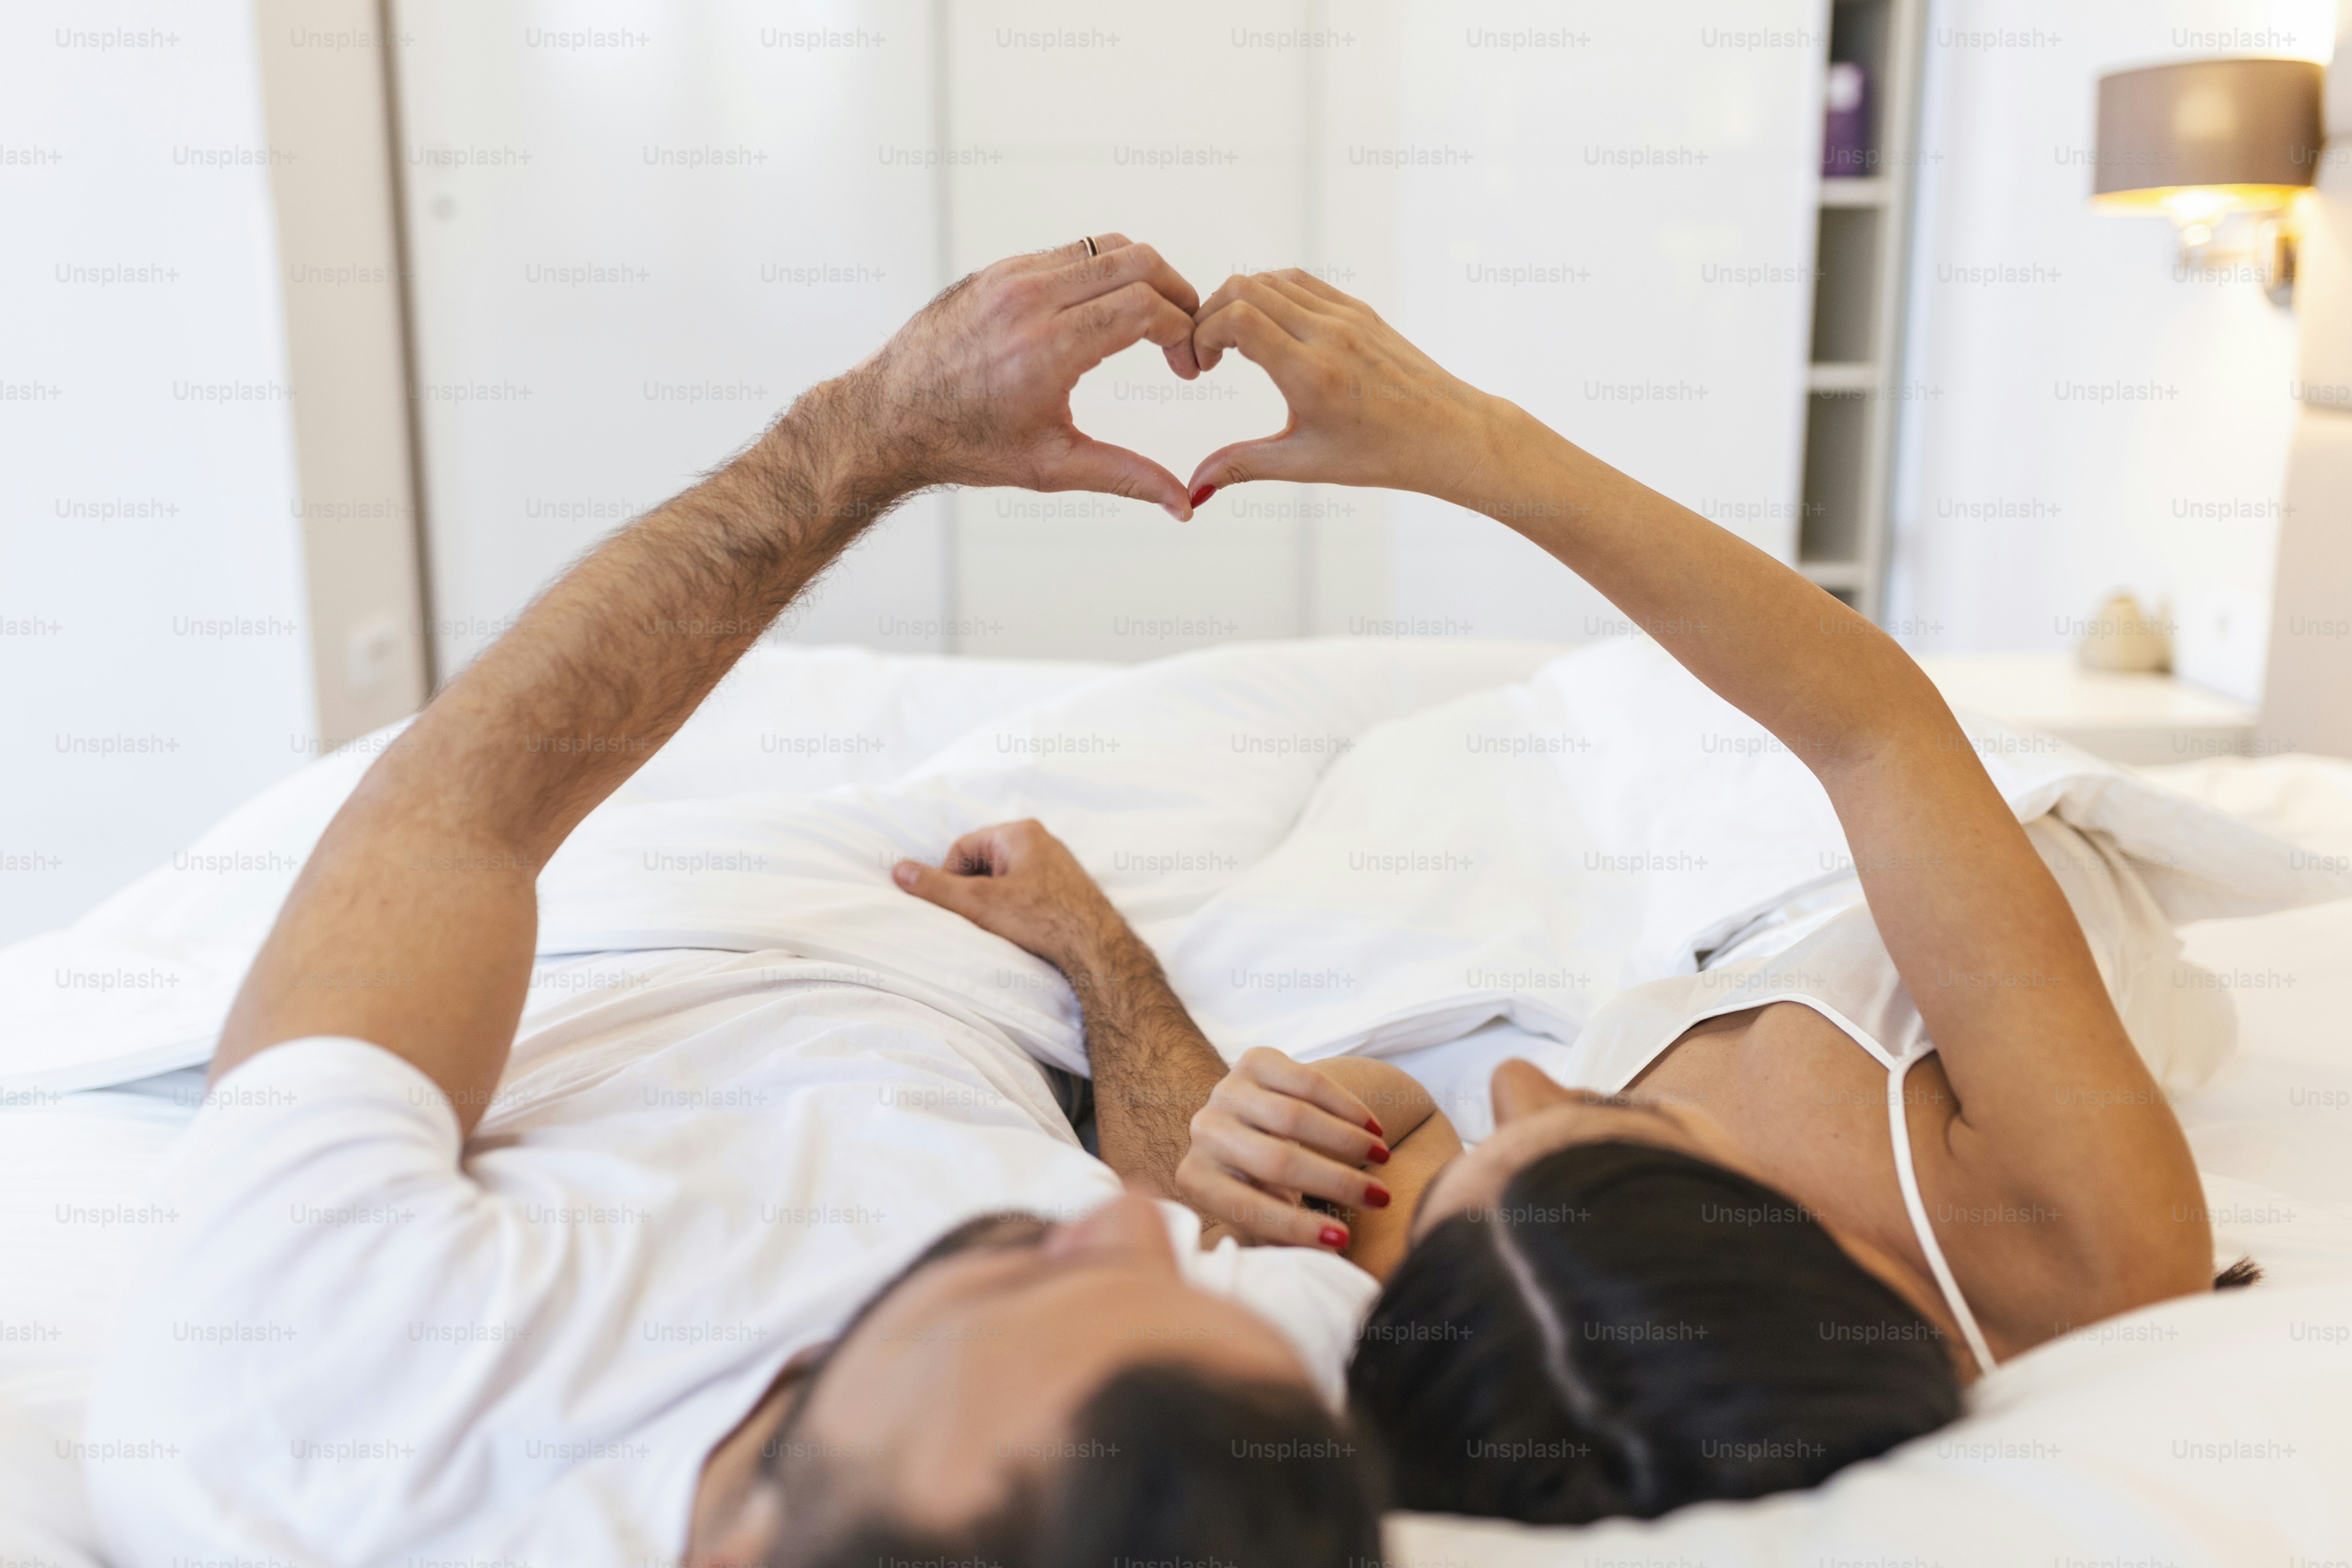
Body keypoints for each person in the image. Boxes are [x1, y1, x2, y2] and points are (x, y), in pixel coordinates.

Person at [83, 240, 1382, 1568]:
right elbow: (1211, 1201)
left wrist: (878, 428)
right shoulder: (1235, 1454)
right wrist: (1101, 955)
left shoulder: (307, 1417)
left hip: (657, 914)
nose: (1118, 1229)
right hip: (999, 940)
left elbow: (462, 809)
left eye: (1039, 1282)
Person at [1159, 269, 2234, 1522]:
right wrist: (1465, 441)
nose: (1515, 1087)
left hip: (1714, 910)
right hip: (1894, 821)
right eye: (1615, 1130)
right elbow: (1875, 731)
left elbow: (1406, 1135)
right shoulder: (2086, 1247)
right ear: (1757, 1246)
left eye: (1489, 1159)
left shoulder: (1546, 1318)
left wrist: (1286, 1122)